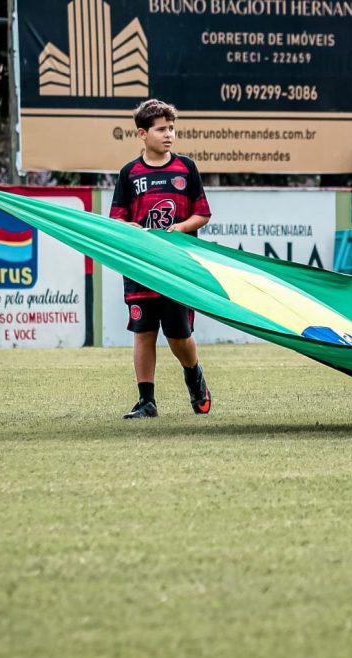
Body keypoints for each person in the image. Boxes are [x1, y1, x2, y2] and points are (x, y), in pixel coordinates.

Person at [109, 99, 213, 419]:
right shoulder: (129, 173)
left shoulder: (186, 168)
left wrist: (179, 228)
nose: (168, 135)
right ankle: (146, 401)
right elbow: (116, 219)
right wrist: (130, 228)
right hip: (140, 266)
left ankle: (194, 375)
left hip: (176, 266)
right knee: (143, 332)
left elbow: (202, 214)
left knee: (178, 337)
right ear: (143, 134)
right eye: (161, 129)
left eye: (171, 129)